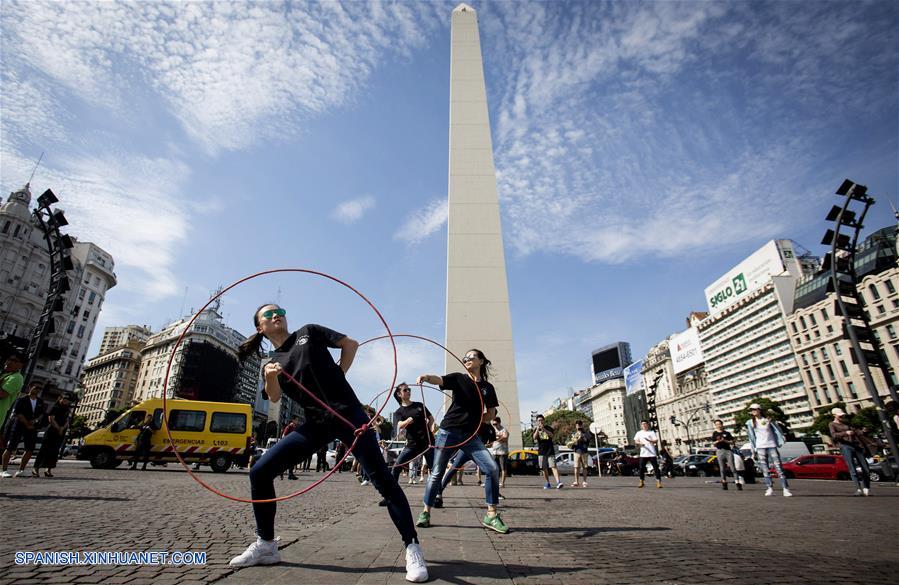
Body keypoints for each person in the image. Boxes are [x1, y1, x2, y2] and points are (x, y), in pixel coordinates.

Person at [229, 304, 427, 582]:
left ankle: (412, 546)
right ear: (260, 328)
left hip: (348, 414)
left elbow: (350, 344)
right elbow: (273, 398)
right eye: (269, 314)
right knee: (259, 471)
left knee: (383, 480)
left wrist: (339, 373)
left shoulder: (307, 332)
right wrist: (270, 377)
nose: (277, 315)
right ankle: (266, 545)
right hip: (316, 424)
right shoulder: (273, 362)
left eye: (280, 311)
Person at [415, 348, 509, 534]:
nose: (467, 359)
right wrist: (426, 376)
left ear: (481, 361)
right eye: (465, 357)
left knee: (491, 468)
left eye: (471, 356)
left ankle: (491, 514)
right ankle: (426, 512)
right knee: (437, 472)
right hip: (448, 432)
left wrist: (478, 420)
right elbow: (439, 380)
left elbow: (490, 413)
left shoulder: (487, 388)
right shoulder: (459, 378)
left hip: (471, 436)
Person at [382, 383, 434, 505]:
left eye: (409, 389)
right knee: (397, 466)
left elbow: (431, 419)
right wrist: (407, 421)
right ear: (399, 394)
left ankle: (437, 495)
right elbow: (399, 424)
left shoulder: (419, 405)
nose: (408, 391)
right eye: (405, 390)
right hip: (412, 444)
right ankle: (390, 496)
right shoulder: (399, 411)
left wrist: (431, 430)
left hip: (427, 442)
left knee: (434, 469)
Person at [745, 403, 791, 497]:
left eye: (755, 409)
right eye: (751, 410)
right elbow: (751, 437)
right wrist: (753, 449)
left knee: (778, 467)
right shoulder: (750, 422)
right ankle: (769, 487)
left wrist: (782, 437)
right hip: (760, 446)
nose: (753, 411)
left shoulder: (768, 420)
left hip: (771, 444)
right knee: (765, 468)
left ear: (759, 410)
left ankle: (785, 488)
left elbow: (777, 430)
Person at [1, 381, 45, 478]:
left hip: (32, 427)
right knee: (10, 447)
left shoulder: (40, 401)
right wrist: (26, 423)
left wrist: (35, 421)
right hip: (18, 425)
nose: (37, 390)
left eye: (39, 388)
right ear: (30, 387)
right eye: (36, 387)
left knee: (29, 449)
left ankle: (21, 470)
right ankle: (4, 470)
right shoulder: (22, 399)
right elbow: (18, 412)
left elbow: (41, 414)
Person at [829, 408, 872, 496]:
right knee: (852, 468)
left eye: (842, 415)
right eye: (839, 415)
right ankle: (858, 489)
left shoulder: (847, 423)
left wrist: (863, 431)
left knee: (866, 468)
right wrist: (845, 433)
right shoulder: (832, 424)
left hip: (856, 445)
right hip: (845, 446)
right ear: (834, 415)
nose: (842, 416)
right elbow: (833, 435)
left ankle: (866, 487)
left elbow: (857, 432)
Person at [33, 392, 72, 477]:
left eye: (67, 400)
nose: (65, 401)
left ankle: (48, 469)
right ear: (60, 398)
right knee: (44, 450)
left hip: (61, 432)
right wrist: (58, 428)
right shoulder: (55, 407)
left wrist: (63, 428)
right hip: (52, 431)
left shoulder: (67, 409)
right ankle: (36, 468)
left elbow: (67, 421)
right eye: (64, 399)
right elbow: (51, 419)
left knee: (54, 451)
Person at [0, 351, 26, 453]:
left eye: (14, 361)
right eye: (9, 359)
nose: (9, 362)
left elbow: (2, 394)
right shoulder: (3, 374)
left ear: (21, 365)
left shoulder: (16, 378)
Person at [711, 419, 742, 491]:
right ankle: (724, 483)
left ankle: (737, 482)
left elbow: (732, 442)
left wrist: (725, 440)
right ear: (715, 426)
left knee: (733, 467)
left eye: (719, 424)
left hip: (728, 451)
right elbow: (713, 443)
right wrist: (718, 441)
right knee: (722, 469)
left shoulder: (727, 433)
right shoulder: (715, 433)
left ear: (722, 424)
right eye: (717, 424)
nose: (718, 426)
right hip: (719, 451)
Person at [533, 415, 562, 489]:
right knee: (544, 468)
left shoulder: (548, 428)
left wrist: (544, 429)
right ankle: (547, 483)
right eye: (539, 420)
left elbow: (551, 435)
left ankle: (558, 482)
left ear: (544, 420)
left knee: (553, 466)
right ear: (536, 422)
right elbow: (534, 438)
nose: (540, 421)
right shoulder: (535, 429)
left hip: (550, 450)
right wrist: (537, 429)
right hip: (542, 451)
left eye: (541, 420)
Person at [634, 420, 662, 489]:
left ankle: (658, 482)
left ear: (648, 425)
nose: (644, 426)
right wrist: (640, 443)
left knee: (656, 468)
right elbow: (636, 441)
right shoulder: (639, 433)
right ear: (641, 426)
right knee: (641, 468)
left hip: (652, 453)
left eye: (645, 424)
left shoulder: (651, 432)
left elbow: (656, 440)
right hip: (643, 454)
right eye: (643, 424)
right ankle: (641, 481)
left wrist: (650, 441)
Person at [569, 420, 590, 488]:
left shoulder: (586, 433)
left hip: (584, 452)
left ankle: (584, 481)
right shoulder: (573, 433)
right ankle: (576, 481)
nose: (579, 427)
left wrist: (582, 437)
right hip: (576, 452)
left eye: (580, 425)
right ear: (576, 426)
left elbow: (588, 441)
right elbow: (570, 442)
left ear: (582, 425)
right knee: (576, 467)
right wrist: (572, 443)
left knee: (584, 467)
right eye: (577, 425)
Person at [491, 417, 509, 489]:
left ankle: (503, 483)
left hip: (502, 452)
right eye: (493, 424)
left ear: (499, 423)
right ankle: (496, 482)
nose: (494, 425)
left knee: (503, 468)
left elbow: (505, 438)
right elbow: (492, 439)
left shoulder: (504, 430)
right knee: (495, 468)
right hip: (495, 452)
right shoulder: (493, 430)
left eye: (495, 424)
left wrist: (498, 436)